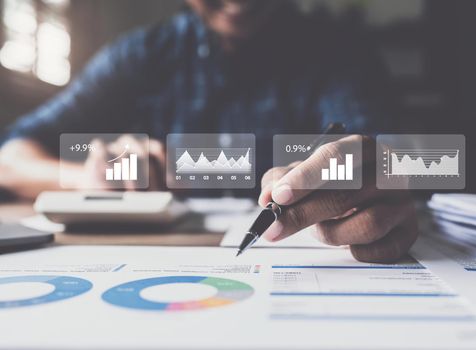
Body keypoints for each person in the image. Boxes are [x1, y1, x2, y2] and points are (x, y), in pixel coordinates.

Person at [0, 0, 418, 263]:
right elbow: (9, 159)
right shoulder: (140, 55)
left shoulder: (340, 52)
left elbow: (381, 160)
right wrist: (84, 177)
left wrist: (372, 183)